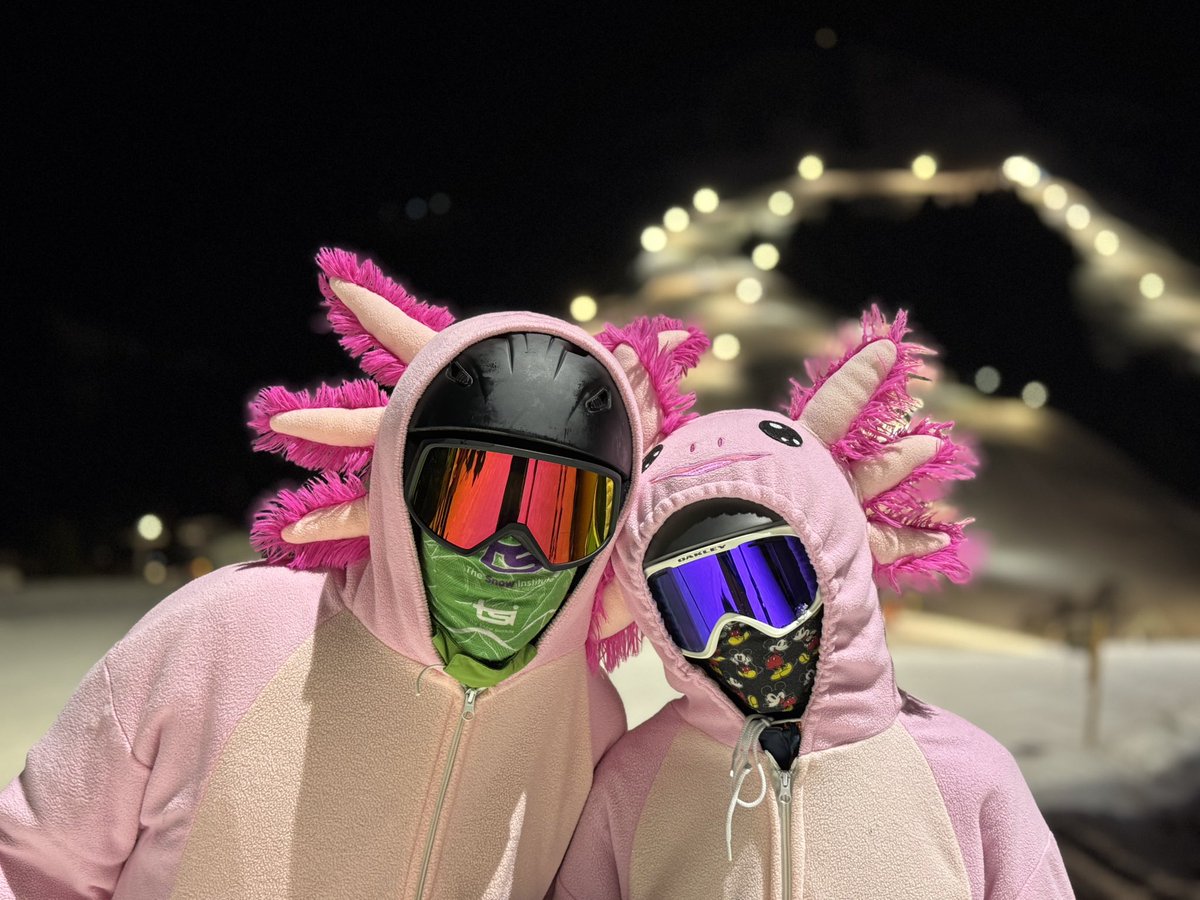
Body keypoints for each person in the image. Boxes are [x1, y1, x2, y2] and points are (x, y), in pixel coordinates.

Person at [0, 249, 707, 899]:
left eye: (563, 514)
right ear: (399, 483)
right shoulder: (231, 632)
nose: (509, 551)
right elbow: (35, 864)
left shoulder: (589, 717)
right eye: (471, 499)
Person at [555, 308, 1075, 899]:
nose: (739, 630)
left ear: (833, 568)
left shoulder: (964, 777)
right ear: (656, 617)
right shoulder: (633, 788)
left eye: (768, 586)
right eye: (699, 605)